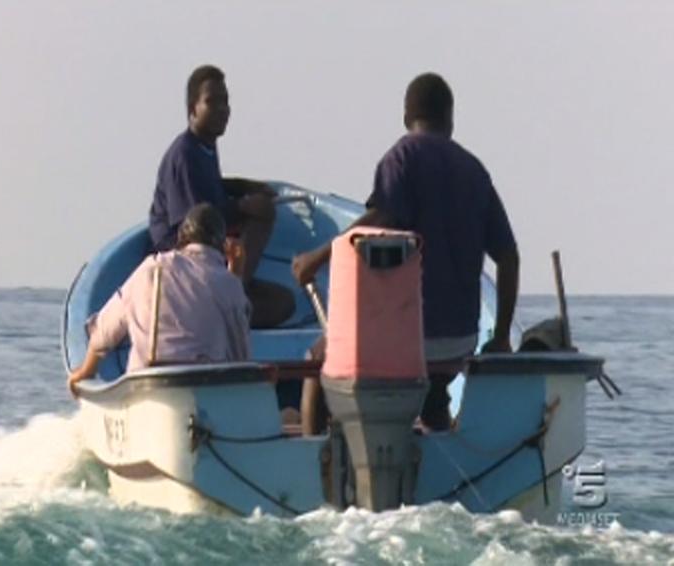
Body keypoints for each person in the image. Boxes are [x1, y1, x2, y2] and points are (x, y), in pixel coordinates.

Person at [292, 73, 520, 432]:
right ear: (450, 118)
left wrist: (316, 258)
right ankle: (441, 447)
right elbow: (509, 257)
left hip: (410, 342)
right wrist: (502, 334)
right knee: (434, 388)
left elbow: (381, 215)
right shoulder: (475, 171)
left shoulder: (402, 158)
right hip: (461, 340)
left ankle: (316, 469)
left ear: (405, 117)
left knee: (317, 360)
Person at [148, 64, 294, 328]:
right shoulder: (185, 154)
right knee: (263, 213)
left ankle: (228, 302)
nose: (222, 109)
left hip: (211, 257)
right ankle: (228, 298)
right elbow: (196, 226)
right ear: (193, 110)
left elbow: (212, 187)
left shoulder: (206, 147)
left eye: (225, 101)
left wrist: (245, 186)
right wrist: (245, 206)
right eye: (211, 102)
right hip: (183, 262)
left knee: (285, 303)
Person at [67, 203, 251, 396]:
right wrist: (236, 274)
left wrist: (84, 372)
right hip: (208, 392)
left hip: (148, 390)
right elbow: (240, 359)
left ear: (181, 238)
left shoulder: (151, 269)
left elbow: (103, 334)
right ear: (221, 246)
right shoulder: (230, 284)